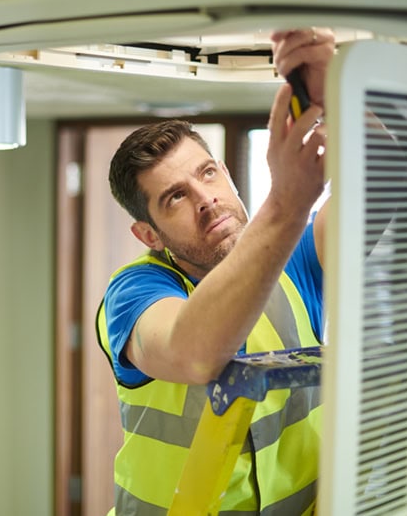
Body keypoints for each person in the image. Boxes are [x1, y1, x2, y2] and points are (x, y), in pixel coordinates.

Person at [97, 28, 335, 515]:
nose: (205, 199)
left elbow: (394, 184)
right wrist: (287, 202)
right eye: (176, 197)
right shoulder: (135, 291)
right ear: (150, 235)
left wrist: (342, 93)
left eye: (207, 173)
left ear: (226, 172)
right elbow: (193, 352)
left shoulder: (297, 253)